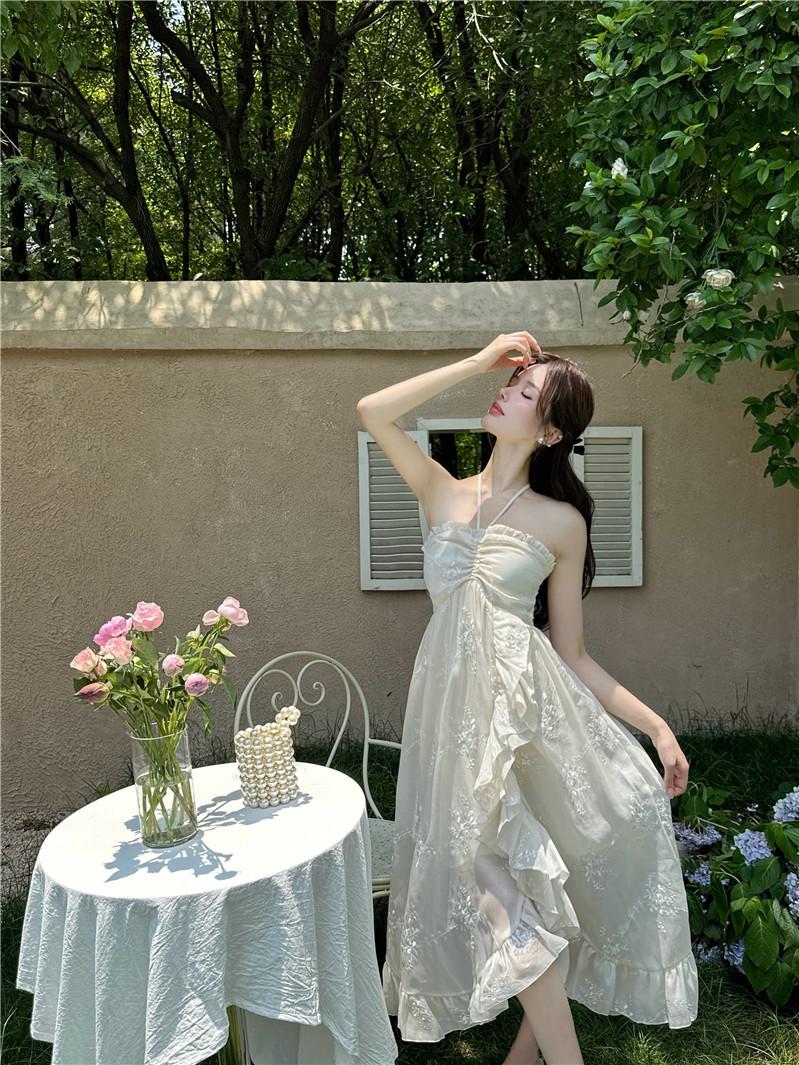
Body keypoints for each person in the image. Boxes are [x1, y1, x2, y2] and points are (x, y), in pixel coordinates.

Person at [356, 332, 698, 1065]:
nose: (504, 392)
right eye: (509, 384)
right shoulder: (441, 489)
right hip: (454, 723)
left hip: (529, 716)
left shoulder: (559, 520)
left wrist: (657, 728)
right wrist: (478, 360)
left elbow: (572, 654)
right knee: (500, 895)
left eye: (523, 392)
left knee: (517, 895)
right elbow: (371, 410)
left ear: (549, 432)